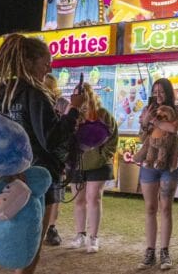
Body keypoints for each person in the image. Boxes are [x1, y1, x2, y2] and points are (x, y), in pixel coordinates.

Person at [0, 34, 84, 274]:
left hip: (5, 175)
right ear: (29, 62)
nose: (49, 69)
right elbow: (51, 138)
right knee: (32, 246)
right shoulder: (34, 94)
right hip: (38, 177)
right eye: (46, 63)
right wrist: (73, 110)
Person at [66, 83, 119, 253]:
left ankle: (93, 237)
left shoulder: (103, 114)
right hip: (76, 162)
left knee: (94, 198)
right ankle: (80, 234)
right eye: (75, 95)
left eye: (81, 94)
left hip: (99, 164)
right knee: (79, 200)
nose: (78, 98)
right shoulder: (73, 114)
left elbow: (113, 137)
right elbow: (64, 135)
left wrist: (103, 155)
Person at [136, 78, 178, 270]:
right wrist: (145, 121)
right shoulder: (147, 109)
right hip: (149, 164)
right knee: (150, 208)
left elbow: (173, 127)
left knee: (166, 208)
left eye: (161, 91)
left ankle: (164, 251)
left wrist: (154, 121)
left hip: (169, 164)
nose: (158, 95)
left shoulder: (176, 109)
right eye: (155, 92)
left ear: (168, 92)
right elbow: (142, 136)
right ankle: (149, 251)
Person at [42, 73, 70, 246]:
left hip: (56, 157)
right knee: (51, 194)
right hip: (43, 156)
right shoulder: (37, 100)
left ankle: (51, 228)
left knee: (55, 194)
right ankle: (47, 228)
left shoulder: (62, 103)